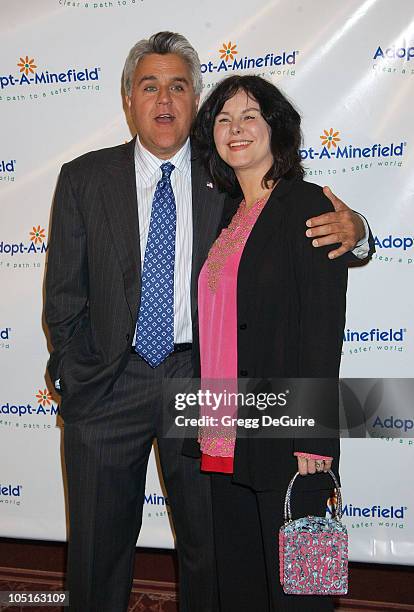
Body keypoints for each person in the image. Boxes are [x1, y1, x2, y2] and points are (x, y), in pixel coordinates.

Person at [44, 31, 371, 612]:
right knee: (95, 555)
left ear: (195, 102)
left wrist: (360, 232)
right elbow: (64, 294)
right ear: (128, 99)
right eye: (150, 86)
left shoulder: (226, 175)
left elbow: (300, 220)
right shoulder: (83, 178)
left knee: (214, 557)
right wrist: (73, 376)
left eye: (179, 87)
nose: (164, 99)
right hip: (107, 389)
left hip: (204, 389)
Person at [190, 74, 358, 611]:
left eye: (249, 116)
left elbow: (322, 326)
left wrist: (315, 439)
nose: (235, 129)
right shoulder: (225, 214)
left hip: (289, 443)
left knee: (300, 596)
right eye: (222, 119)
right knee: (241, 591)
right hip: (223, 439)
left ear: (276, 129)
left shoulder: (305, 203)